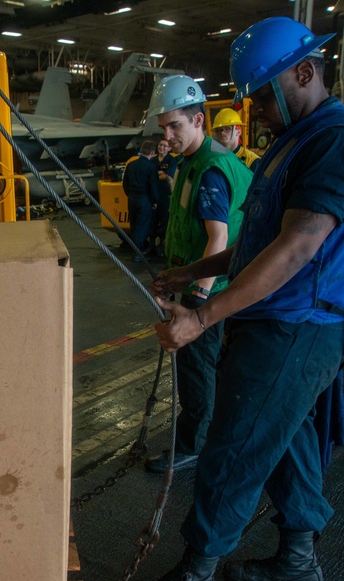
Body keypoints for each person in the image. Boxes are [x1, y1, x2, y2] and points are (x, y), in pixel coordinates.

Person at [124, 17, 344, 581]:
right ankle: (297, 561)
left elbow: (296, 249)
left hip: (297, 326)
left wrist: (202, 317)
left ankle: (197, 575)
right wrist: (191, 273)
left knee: (234, 447)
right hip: (277, 321)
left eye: (265, 93)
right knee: (286, 441)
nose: (255, 108)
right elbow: (256, 243)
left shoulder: (338, 140)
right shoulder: (293, 142)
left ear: (305, 71)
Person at [141, 75, 253, 474]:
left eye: (176, 126)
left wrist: (198, 303)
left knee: (195, 368)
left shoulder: (209, 169)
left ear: (199, 121)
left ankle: (192, 444)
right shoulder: (192, 162)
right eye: (163, 128)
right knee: (209, 368)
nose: (168, 135)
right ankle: (207, 432)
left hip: (211, 287)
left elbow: (217, 239)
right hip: (200, 279)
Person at [121, 140, 161, 261]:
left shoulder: (131, 165)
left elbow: (125, 184)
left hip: (132, 198)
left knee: (133, 225)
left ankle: (135, 248)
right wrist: (155, 201)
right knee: (142, 226)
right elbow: (153, 187)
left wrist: (130, 194)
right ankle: (138, 254)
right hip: (145, 200)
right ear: (153, 152)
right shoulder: (151, 167)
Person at [152, 138, 180, 256]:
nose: (161, 147)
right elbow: (151, 175)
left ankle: (163, 245)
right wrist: (160, 174)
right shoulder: (152, 160)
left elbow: (169, 176)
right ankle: (152, 245)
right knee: (152, 220)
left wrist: (156, 174)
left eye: (164, 146)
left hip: (165, 195)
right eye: (160, 145)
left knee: (165, 220)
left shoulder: (171, 160)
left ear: (169, 148)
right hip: (153, 194)